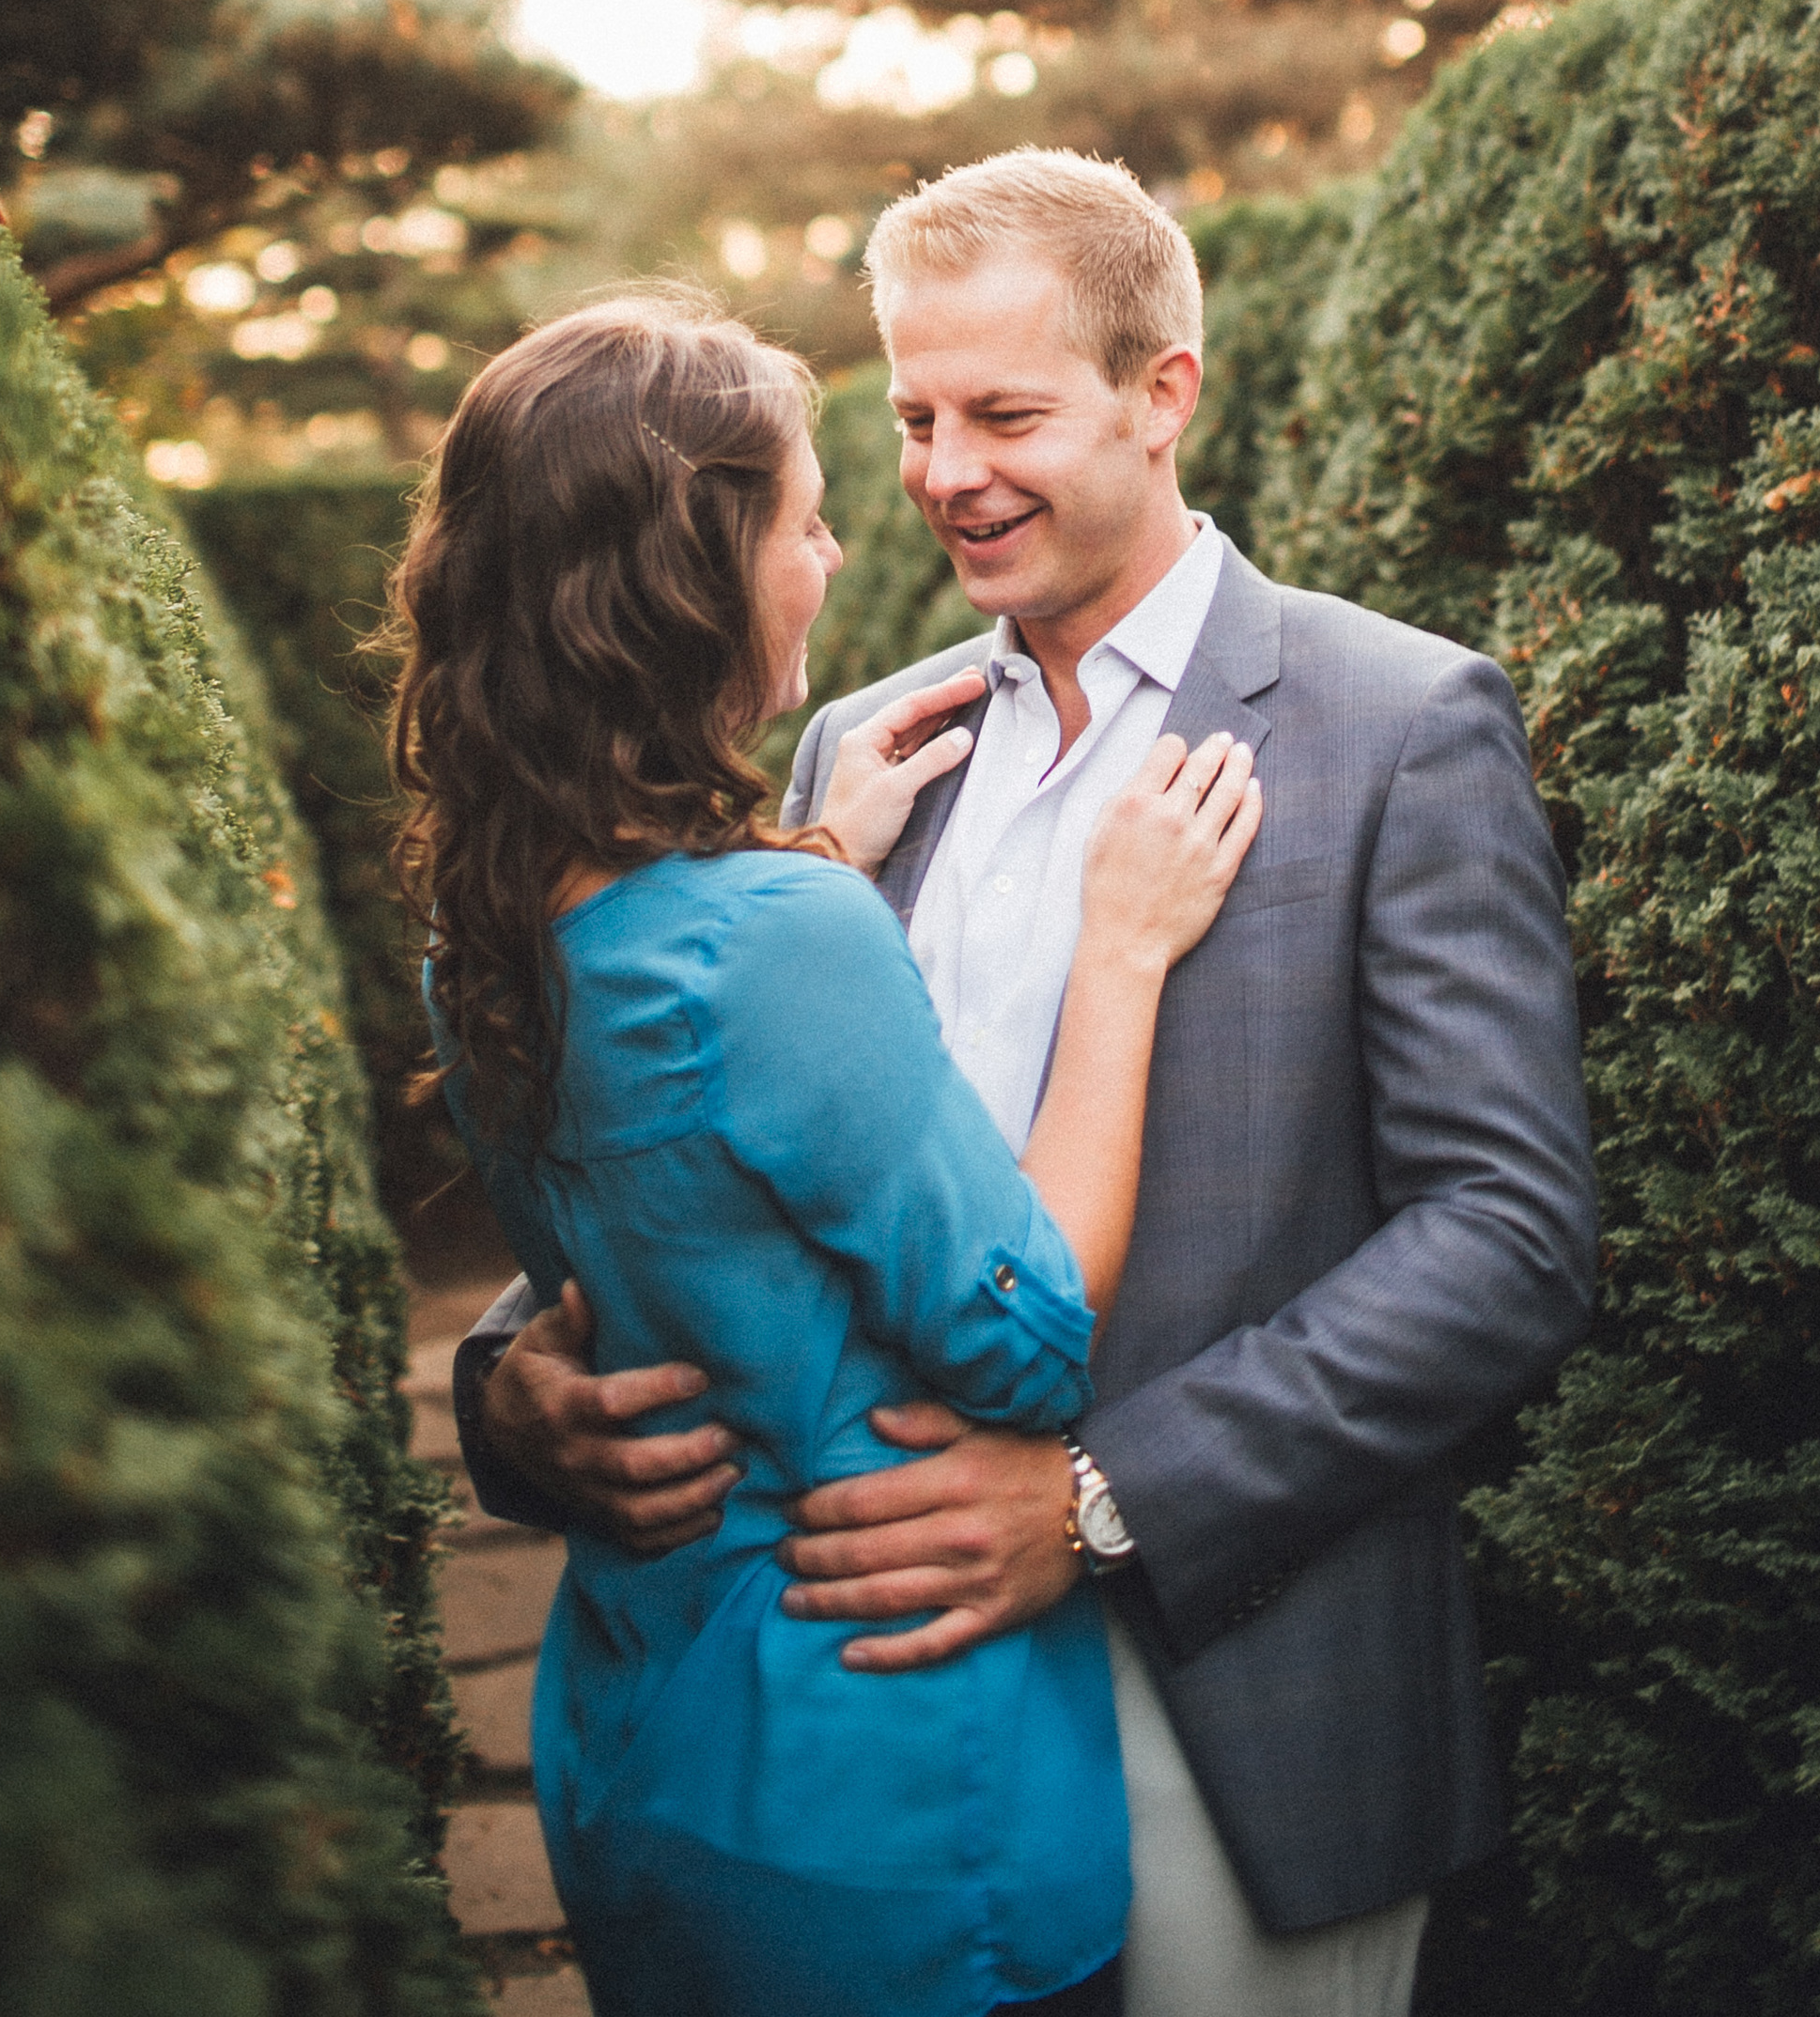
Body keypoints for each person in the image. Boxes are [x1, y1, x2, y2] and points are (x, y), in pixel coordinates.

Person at [456, 154, 1599, 2017]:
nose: (942, 471)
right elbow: (721, 1126)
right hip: (877, 1731)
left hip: (1243, 1681)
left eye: (1003, 412)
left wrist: (1092, 1499)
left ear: (1163, 398)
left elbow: (1508, 1238)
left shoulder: (1396, 727)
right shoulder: (854, 743)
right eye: (910, 416)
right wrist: (516, 1386)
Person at [394, 293, 1263, 2017]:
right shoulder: (777, 929)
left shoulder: (480, 927)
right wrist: (1122, 951)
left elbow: (681, 1182)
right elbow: (1023, 1334)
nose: (847, 542)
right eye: (805, 516)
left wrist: (807, 855)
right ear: (690, 580)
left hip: (641, 1743)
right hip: (883, 1792)